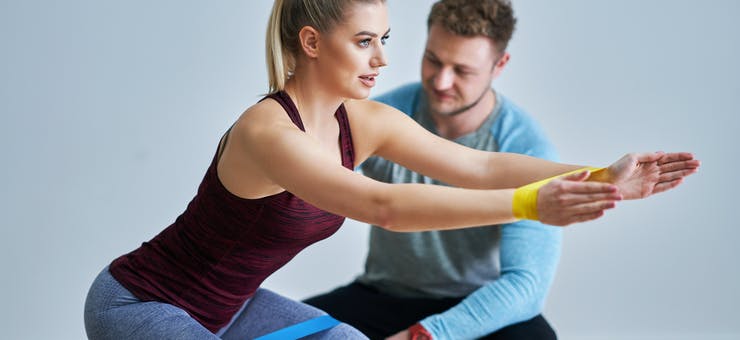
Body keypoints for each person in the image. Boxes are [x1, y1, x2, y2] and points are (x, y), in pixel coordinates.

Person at [83, 0, 699, 339]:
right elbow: (384, 207)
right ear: (313, 42)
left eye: (385, 38)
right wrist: (529, 204)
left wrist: (603, 176)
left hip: (234, 306)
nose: (383, 58)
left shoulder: (363, 119)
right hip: (143, 304)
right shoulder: (268, 133)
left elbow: (480, 165)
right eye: (364, 41)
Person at [303, 0, 563, 339]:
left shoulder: (525, 148)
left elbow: (525, 285)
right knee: (280, 331)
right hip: (380, 297)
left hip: (474, 306)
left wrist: (428, 334)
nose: (441, 82)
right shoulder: (380, 116)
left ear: (499, 65)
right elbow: (309, 171)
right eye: (433, 60)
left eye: (462, 71)